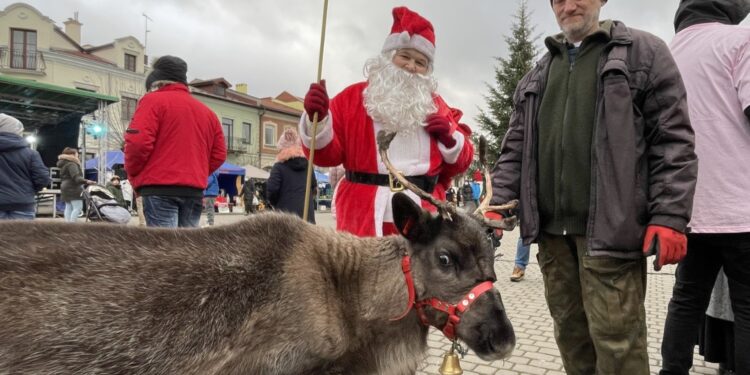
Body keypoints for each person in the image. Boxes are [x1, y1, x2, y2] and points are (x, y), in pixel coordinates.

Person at [488, 0, 698, 373]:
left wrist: (669, 215)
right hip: (552, 240)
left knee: (619, 349)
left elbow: (673, 140)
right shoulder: (538, 72)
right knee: (571, 340)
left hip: (611, 238)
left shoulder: (643, 53)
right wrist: (499, 201)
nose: (569, 5)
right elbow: (515, 147)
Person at [301, 6, 474, 237]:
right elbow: (326, 155)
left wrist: (450, 139)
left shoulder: (435, 106)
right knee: (361, 272)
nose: (411, 66)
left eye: (420, 62)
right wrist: (319, 120)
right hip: (364, 215)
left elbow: (461, 163)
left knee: (421, 273)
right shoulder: (352, 100)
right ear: (389, 57)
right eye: (405, 56)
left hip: (424, 216)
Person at [660, 1, 750, 374]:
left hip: (687, 208)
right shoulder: (739, 41)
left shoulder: (666, 53)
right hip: (741, 205)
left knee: (685, 299)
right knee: (747, 308)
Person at [124, 55, 226, 228]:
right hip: (193, 190)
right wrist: (196, 172)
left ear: (156, 79)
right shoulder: (207, 113)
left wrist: (134, 175)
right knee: (187, 250)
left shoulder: (152, 101)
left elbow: (138, 143)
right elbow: (219, 154)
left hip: (159, 186)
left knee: (164, 251)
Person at [0, 113, 50, 220]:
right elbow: (43, 179)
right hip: (22, 205)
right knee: (21, 237)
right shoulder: (31, 154)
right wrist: (29, 191)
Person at [266, 129, 316, 224]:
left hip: (285, 219)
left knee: (285, 239)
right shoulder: (308, 166)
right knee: (305, 239)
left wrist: (274, 203)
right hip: (307, 218)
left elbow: (272, 190)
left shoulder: (278, 167)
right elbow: (314, 188)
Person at [57, 147, 96, 223]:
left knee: (69, 207)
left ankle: (68, 224)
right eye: (77, 153)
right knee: (78, 207)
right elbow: (76, 177)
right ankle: (72, 225)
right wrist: (87, 181)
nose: (78, 155)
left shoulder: (64, 163)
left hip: (65, 186)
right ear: (72, 155)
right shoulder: (72, 164)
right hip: (73, 187)